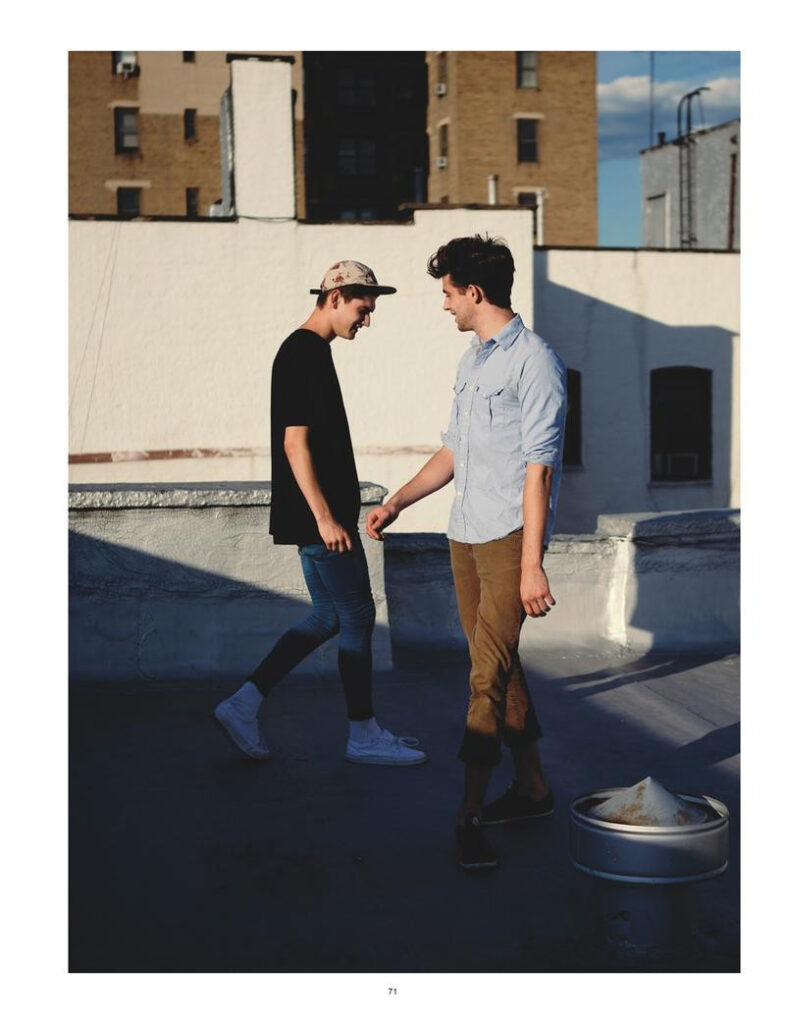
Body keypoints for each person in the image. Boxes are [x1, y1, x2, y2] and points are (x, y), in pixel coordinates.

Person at [366, 235, 566, 868]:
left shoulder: (535, 362)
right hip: (466, 535)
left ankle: (470, 813)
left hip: (508, 539)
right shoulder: (473, 362)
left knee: (485, 677)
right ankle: (533, 787)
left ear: (474, 292)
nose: (445, 304)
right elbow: (454, 451)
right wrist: (398, 502)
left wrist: (531, 564)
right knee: (496, 663)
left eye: (449, 293)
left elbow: (540, 471)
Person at [214, 260, 426, 767]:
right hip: (321, 521)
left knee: (329, 616)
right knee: (358, 615)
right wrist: (326, 518)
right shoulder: (303, 352)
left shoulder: (310, 351)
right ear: (334, 298)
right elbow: (295, 444)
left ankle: (243, 704)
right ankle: (363, 734)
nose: (366, 321)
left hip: (320, 519)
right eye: (362, 309)